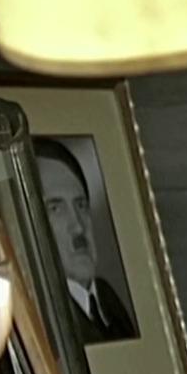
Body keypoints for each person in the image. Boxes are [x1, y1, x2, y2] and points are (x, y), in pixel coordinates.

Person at [33, 138, 139, 344]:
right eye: (56, 209)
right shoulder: (42, 314)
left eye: (81, 205)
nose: (78, 227)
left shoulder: (108, 298)